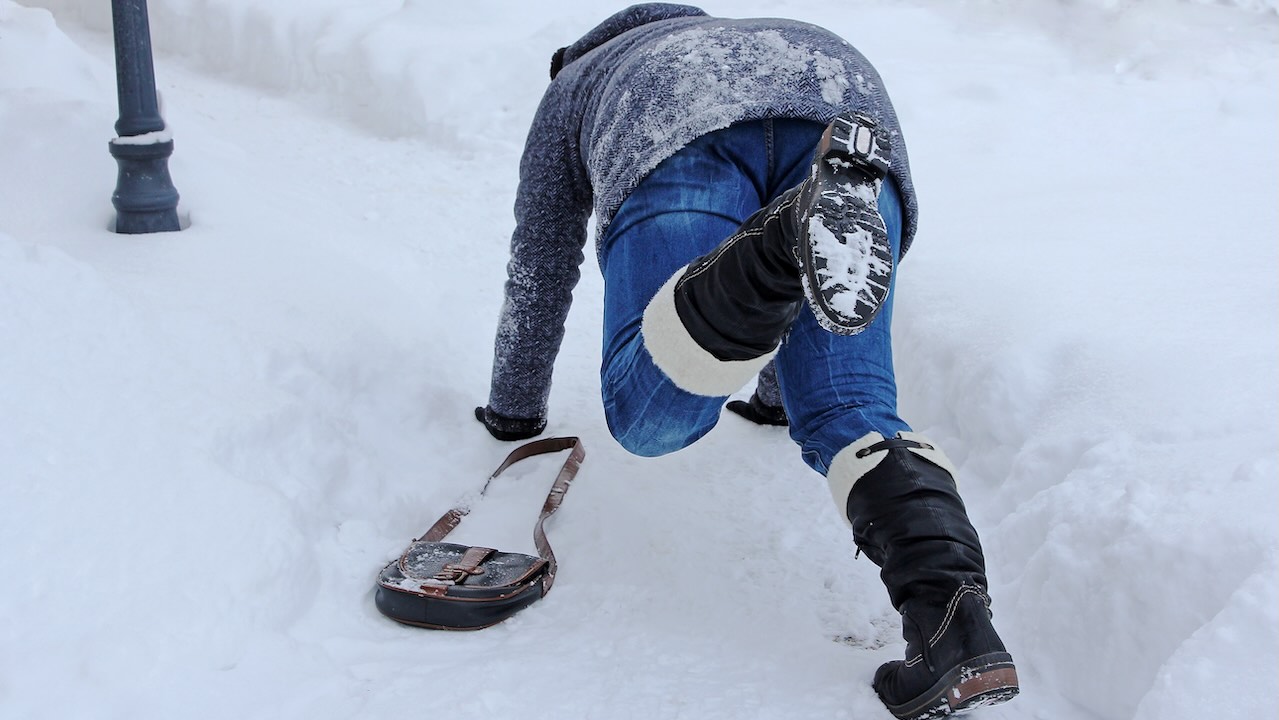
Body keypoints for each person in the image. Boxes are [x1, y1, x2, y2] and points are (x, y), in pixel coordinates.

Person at [474, 5, 1019, 718]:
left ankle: (774, 242)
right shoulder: (737, 29)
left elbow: (539, 262)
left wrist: (514, 409)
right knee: (851, 409)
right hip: (842, 97)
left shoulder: (578, 77)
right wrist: (775, 398)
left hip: (677, 108)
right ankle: (955, 629)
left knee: (651, 418)